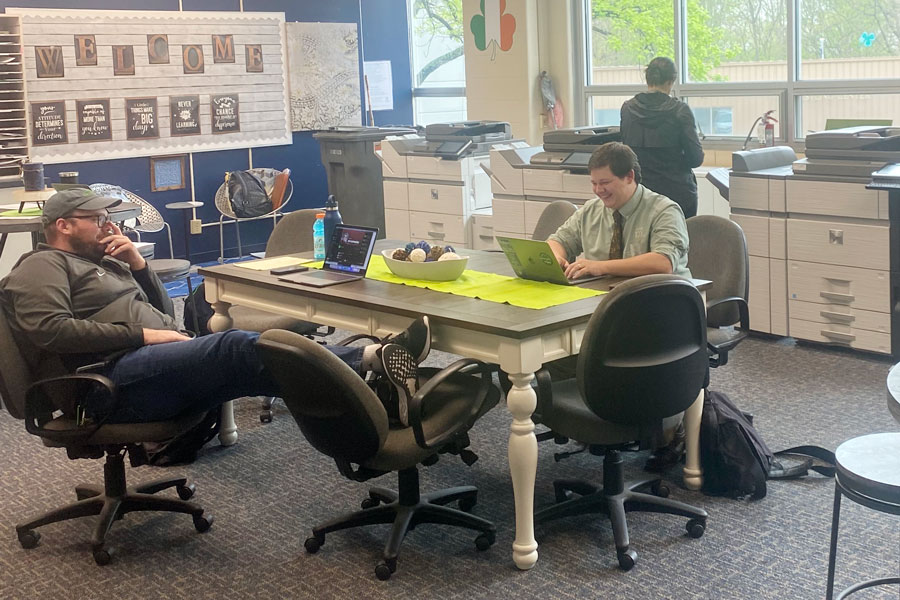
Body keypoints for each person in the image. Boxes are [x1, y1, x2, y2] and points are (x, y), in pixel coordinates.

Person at [0, 188, 430, 425]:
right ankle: (371, 359)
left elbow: (166, 311)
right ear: (63, 226)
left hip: (148, 360)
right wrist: (145, 335)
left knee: (259, 369)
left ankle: (379, 401)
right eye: (96, 220)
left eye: (107, 219)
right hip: (104, 381)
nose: (109, 226)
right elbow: (50, 330)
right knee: (235, 347)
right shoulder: (42, 264)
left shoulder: (104, 262)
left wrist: (139, 266)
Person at [545, 142, 690, 471]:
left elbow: (663, 262)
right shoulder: (591, 210)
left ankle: (668, 426)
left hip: (660, 313)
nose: (599, 191)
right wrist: (555, 255)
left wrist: (600, 266)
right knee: (555, 356)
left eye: (605, 184)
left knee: (607, 355)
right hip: (604, 309)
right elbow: (558, 239)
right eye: (593, 184)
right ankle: (603, 419)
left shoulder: (663, 210)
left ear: (629, 177)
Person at [620, 56, 704, 219]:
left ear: (647, 78)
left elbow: (627, 153)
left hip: (641, 196)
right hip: (677, 196)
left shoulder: (627, 109)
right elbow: (695, 159)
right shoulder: (680, 110)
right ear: (671, 80)